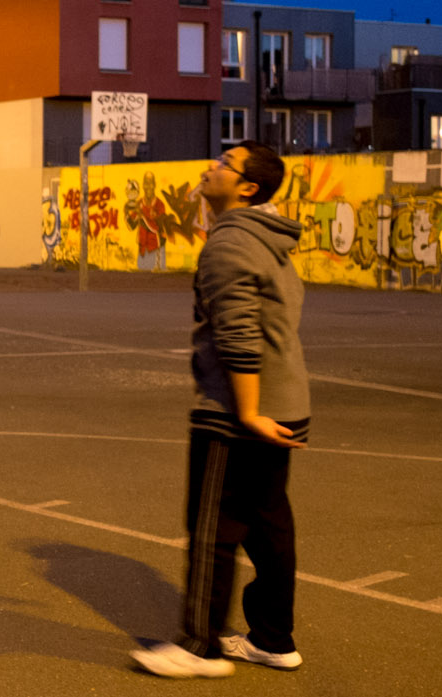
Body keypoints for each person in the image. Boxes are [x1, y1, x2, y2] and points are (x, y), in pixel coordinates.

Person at [132, 142, 310, 678]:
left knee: (214, 527)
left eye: (224, 165)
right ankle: (274, 640)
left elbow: (239, 333)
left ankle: (198, 646)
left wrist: (248, 412)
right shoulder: (269, 238)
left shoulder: (230, 244)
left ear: (247, 187)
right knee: (268, 524)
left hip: (239, 410)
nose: (211, 167)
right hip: (286, 401)